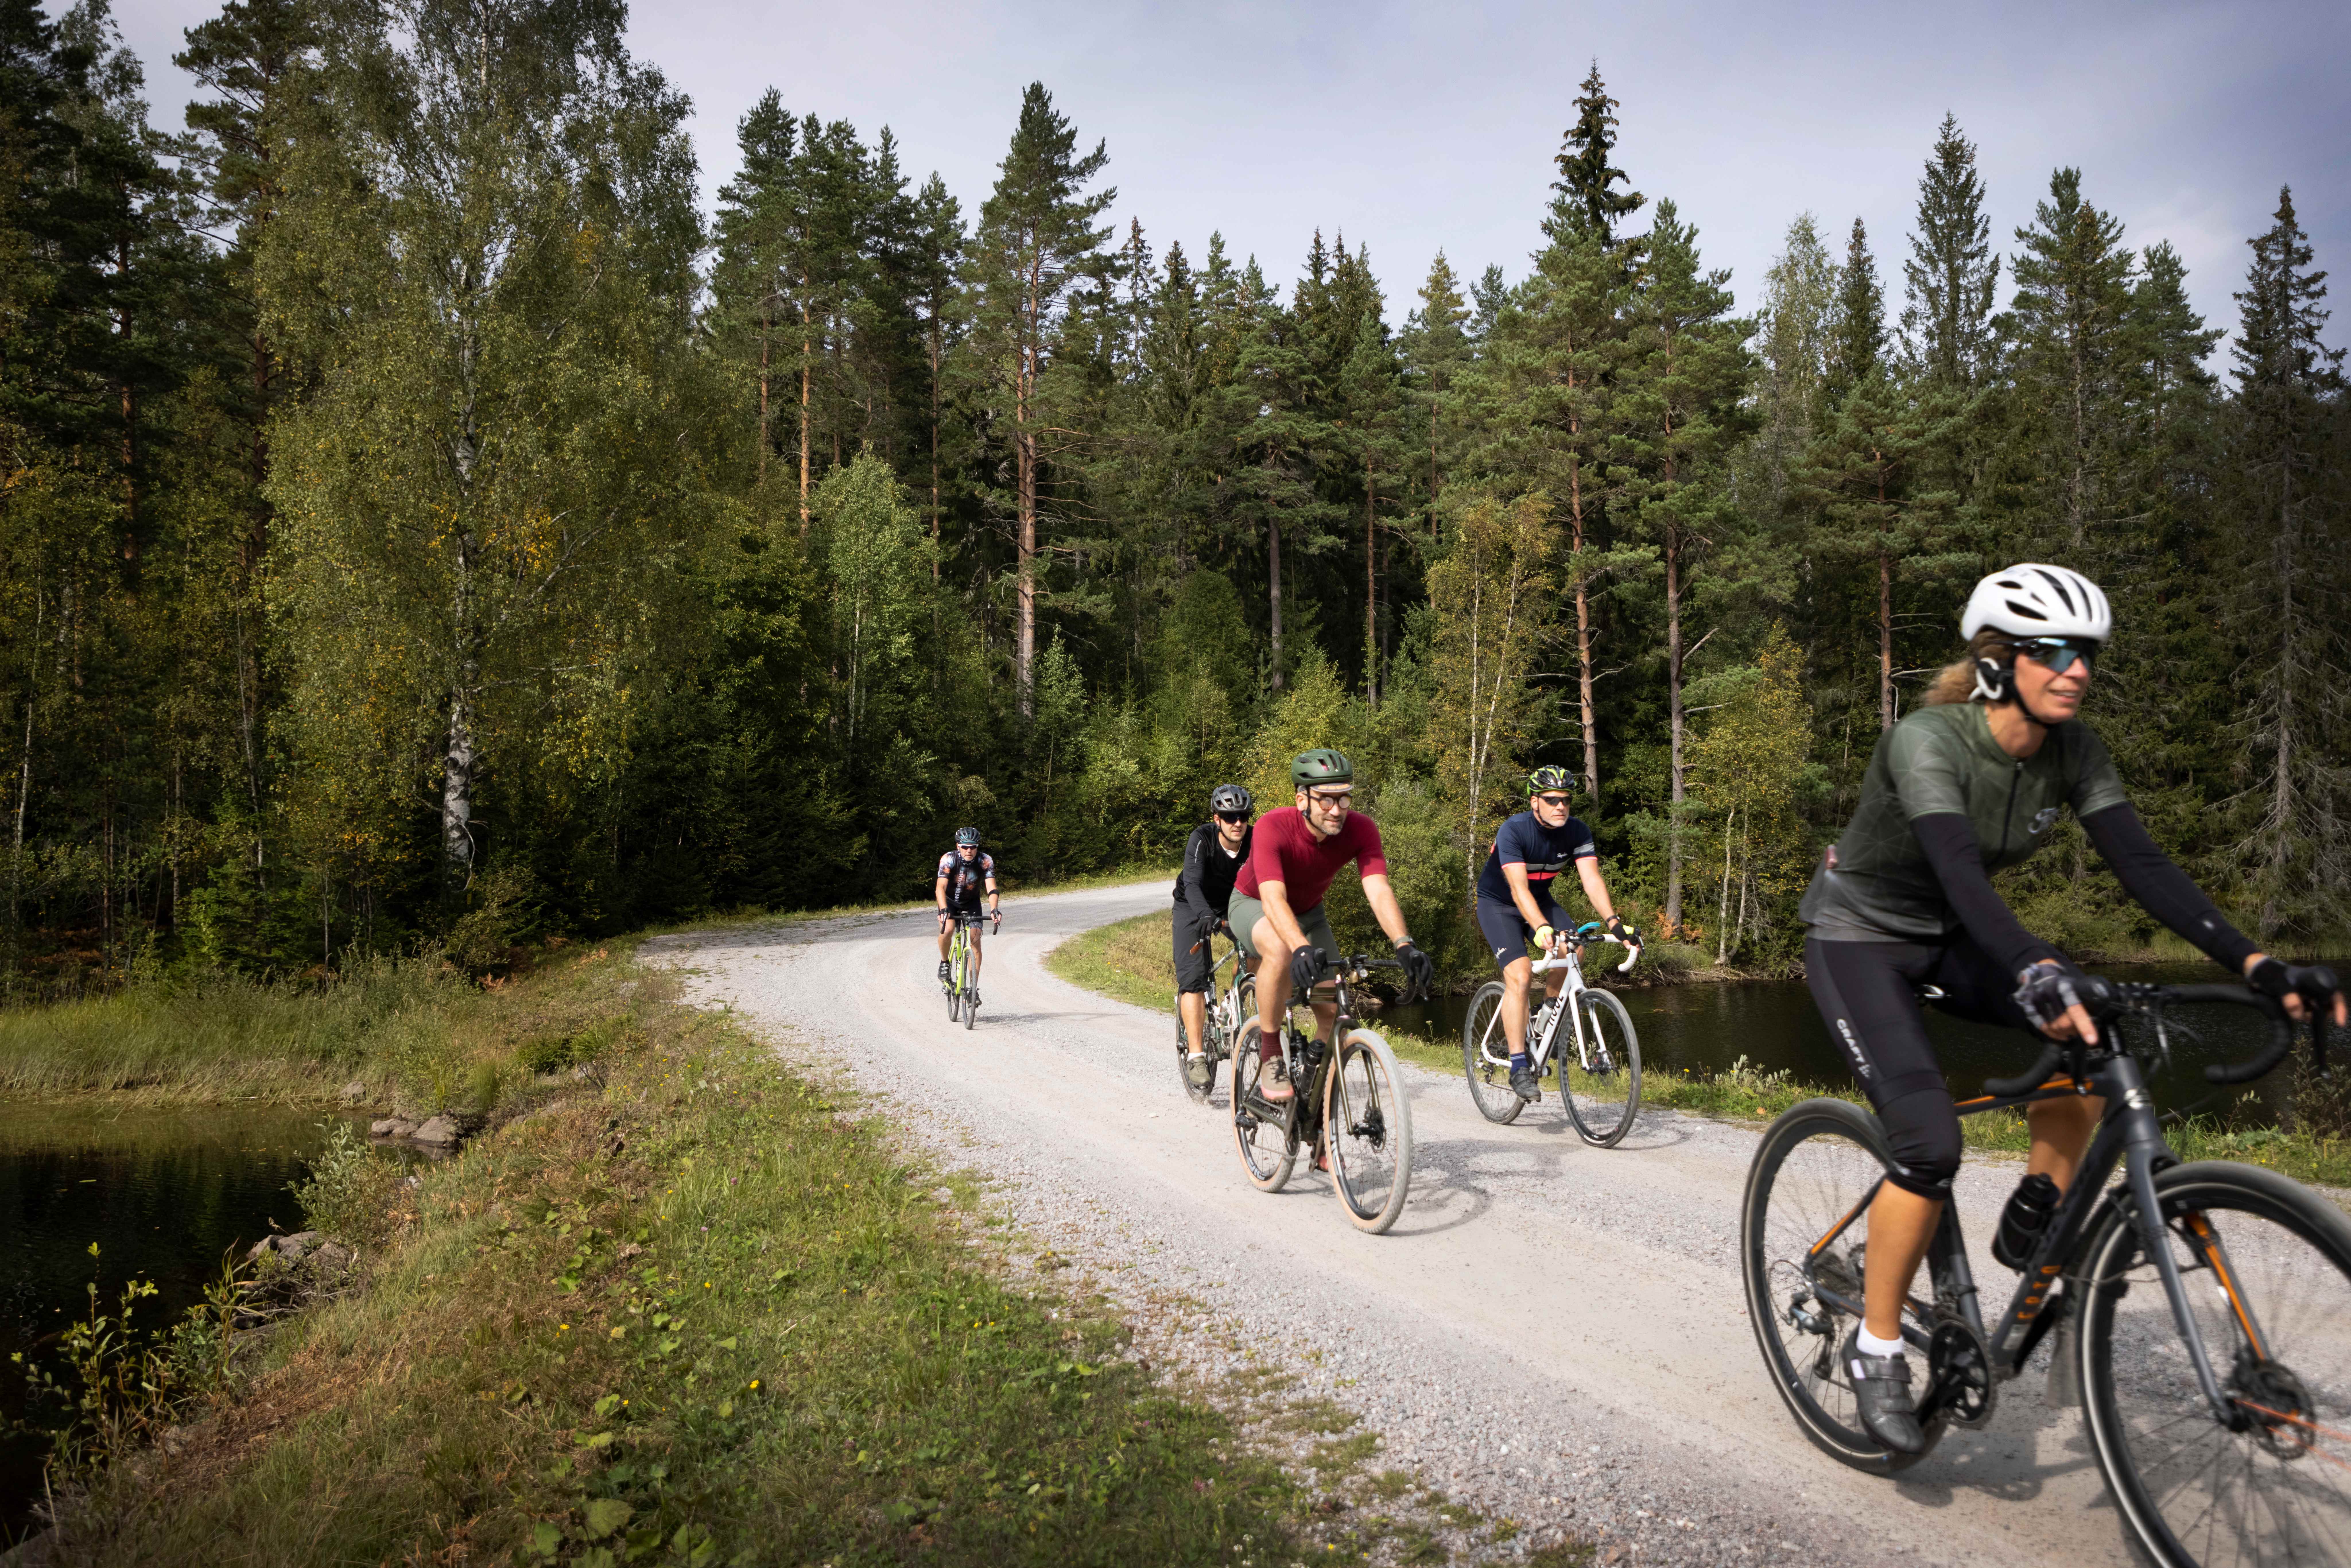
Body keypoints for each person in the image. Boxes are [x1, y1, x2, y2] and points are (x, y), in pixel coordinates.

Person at [1797, 562, 2346, 1456]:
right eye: (2053, 651)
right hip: (1859, 939)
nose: (2077, 669)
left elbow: (2144, 865)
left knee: (2100, 1038)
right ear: (1995, 662)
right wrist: (2035, 967)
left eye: (2086, 653)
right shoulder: (1927, 741)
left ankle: (2040, 1205)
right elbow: (1958, 871)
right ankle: (1877, 1345)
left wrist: (2259, 964)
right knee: (1929, 1145)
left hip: (1955, 939)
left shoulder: (2074, 751)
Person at [1229, 749, 1434, 1106]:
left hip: (1310, 914)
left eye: (1343, 798)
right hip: (1253, 904)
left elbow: (1378, 889)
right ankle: (1270, 1052)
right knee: (1279, 949)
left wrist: (1403, 943)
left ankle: (1312, 1096)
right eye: (1325, 799)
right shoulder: (1273, 827)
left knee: (1331, 1012)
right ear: (1302, 800)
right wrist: (1300, 947)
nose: (1337, 810)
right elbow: (1274, 899)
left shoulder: (1361, 829)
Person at [1474, 766, 1636, 1101]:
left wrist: (1614, 923)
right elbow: (1518, 889)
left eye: (1565, 800)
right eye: (1551, 800)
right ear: (1534, 801)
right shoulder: (1514, 830)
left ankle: (1547, 1011)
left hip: (1541, 900)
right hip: (1499, 904)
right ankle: (1519, 1066)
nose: (1560, 806)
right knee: (1519, 975)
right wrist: (1540, 927)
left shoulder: (1577, 831)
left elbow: (1591, 879)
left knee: (1574, 949)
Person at [1174, 784, 1256, 1087]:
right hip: (1192, 905)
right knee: (1194, 977)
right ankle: (1196, 1056)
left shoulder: (1255, 840)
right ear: (1217, 819)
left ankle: (1234, 1001)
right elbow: (1192, 884)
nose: (1238, 823)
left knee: (1258, 949)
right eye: (1230, 817)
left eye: (1244, 816)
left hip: (1234, 904)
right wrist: (1205, 915)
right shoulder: (1202, 839)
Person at [936, 828, 1000, 1001]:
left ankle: (973, 989)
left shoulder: (985, 860)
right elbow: (941, 887)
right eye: (965, 847)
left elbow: (992, 888)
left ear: (977, 847)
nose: (969, 850)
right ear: (959, 846)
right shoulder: (949, 859)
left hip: (972, 903)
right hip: (950, 903)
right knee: (948, 930)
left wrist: (994, 909)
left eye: (973, 847)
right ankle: (945, 962)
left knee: (975, 940)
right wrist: (943, 909)